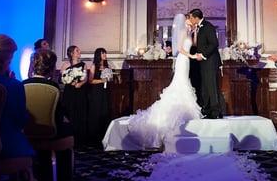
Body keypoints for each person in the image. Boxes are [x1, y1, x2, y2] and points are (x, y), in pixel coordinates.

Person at [127, 13, 203, 149]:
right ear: (185, 21)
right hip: (182, 60)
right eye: (189, 20)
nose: (190, 22)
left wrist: (195, 32)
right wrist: (191, 55)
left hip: (187, 62)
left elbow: (195, 44)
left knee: (185, 83)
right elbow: (180, 49)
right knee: (180, 84)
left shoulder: (189, 32)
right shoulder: (181, 31)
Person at [22, 49, 72, 138]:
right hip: (51, 131)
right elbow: (58, 114)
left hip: (25, 130)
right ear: (52, 67)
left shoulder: (22, 85)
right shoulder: (53, 87)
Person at [187, 8, 224, 119]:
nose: (189, 19)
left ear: (196, 17)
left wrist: (203, 55)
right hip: (204, 62)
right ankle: (208, 110)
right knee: (206, 87)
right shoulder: (198, 27)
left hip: (210, 61)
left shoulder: (208, 26)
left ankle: (215, 112)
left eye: (190, 17)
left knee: (211, 87)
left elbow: (214, 43)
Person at [60, 45, 89, 145]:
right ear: (71, 53)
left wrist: (80, 83)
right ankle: (69, 136)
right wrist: (72, 83)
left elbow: (85, 78)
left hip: (80, 91)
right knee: (70, 111)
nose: (79, 52)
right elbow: (63, 79)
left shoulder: (83, 64)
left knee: (80, 112)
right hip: (70, 91)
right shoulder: (65, 64)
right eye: (77, 50)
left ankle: (80, 139)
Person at [88, 48, 112, 145]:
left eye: (105, 53)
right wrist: (102, 81)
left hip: (105, 91)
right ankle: (95, 137)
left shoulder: (107, 66)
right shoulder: (94, 66)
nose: (105, 54)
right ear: (98, 55)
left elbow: (109, 78)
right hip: (96, 91)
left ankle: (104, 135)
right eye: (103, 53)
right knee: (97, 112)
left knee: (105, 111)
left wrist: (109, 78)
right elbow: (90, 80)